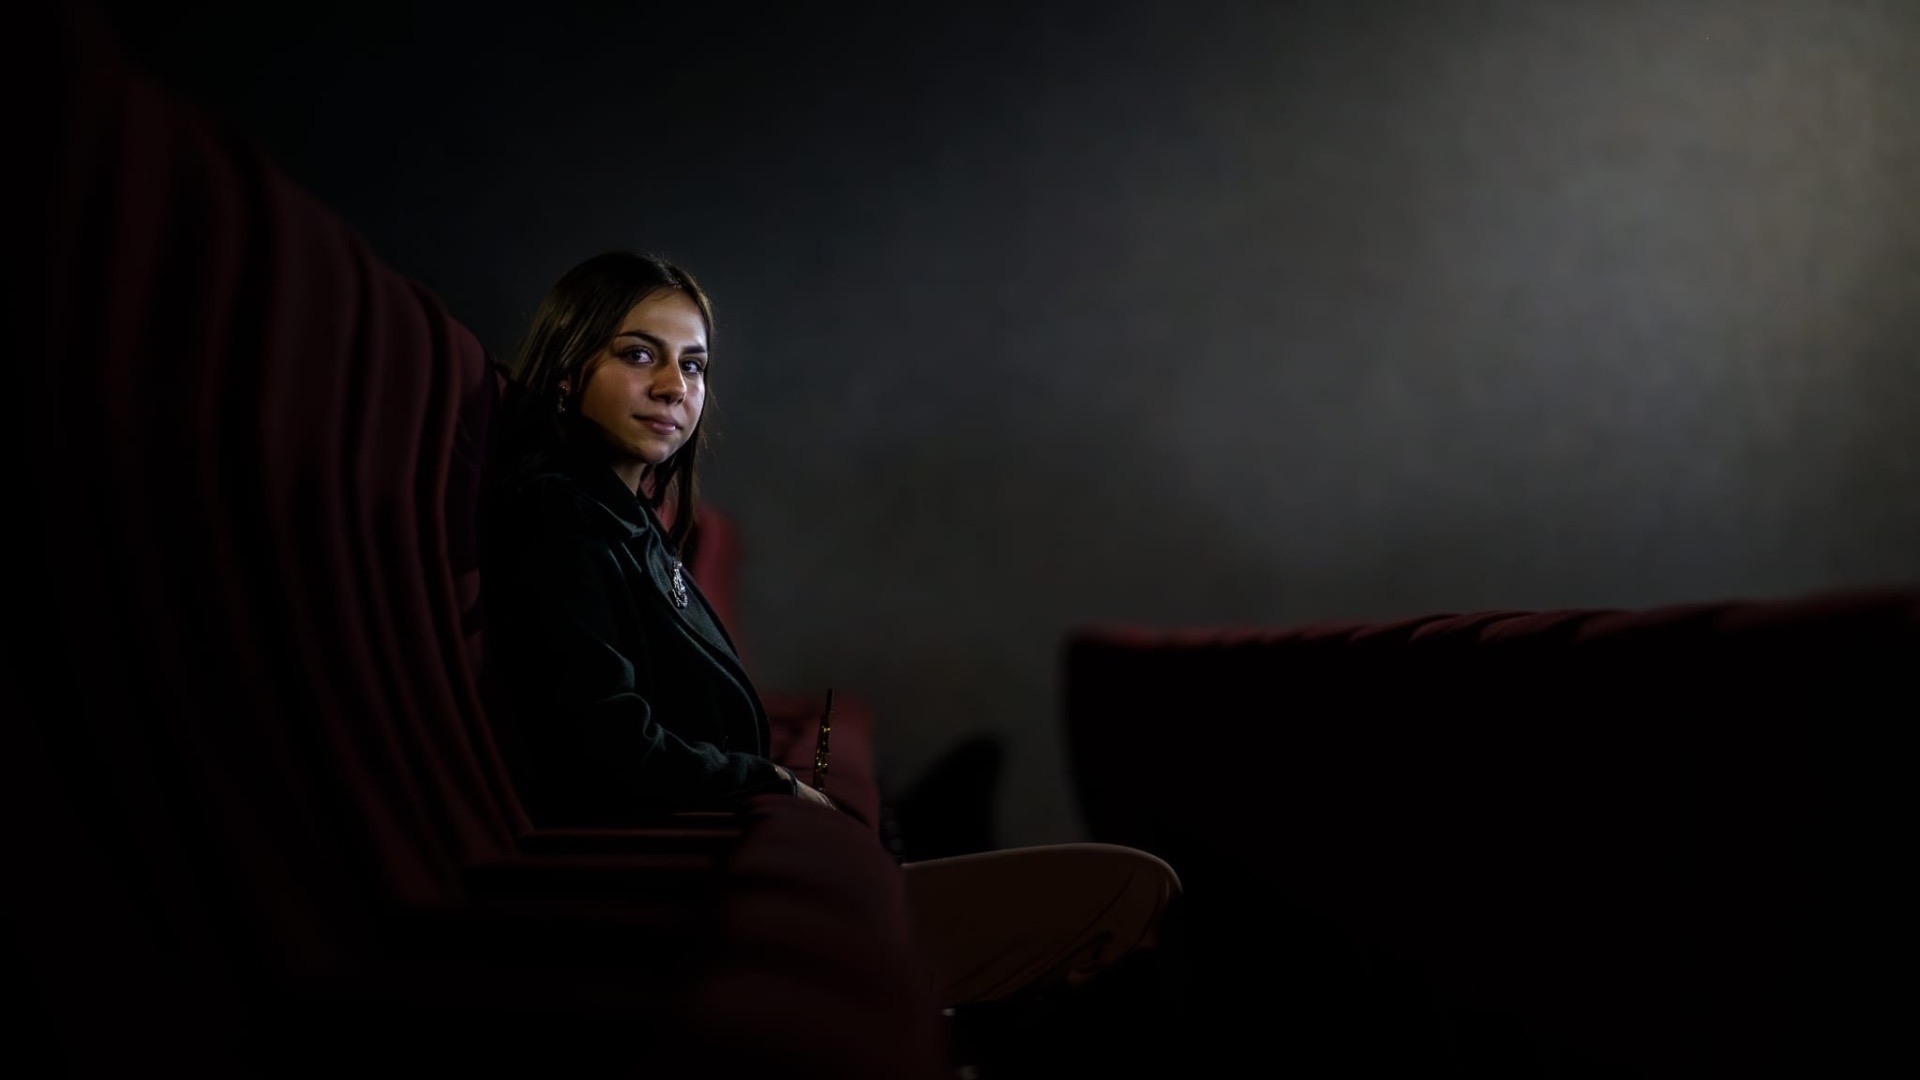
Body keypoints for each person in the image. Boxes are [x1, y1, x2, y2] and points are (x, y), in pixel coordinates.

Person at [480, 250, 1178, 1010]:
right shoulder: (562, 521)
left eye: (694, 365)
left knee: (1078, 882)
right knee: (1135, 889)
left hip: (744, 861)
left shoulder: (633, 523)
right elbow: (609, 749)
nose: (675, 386)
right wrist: (774, 781)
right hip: (703, 909)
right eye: (639, 355)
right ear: (566, 370)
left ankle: (917, 858)